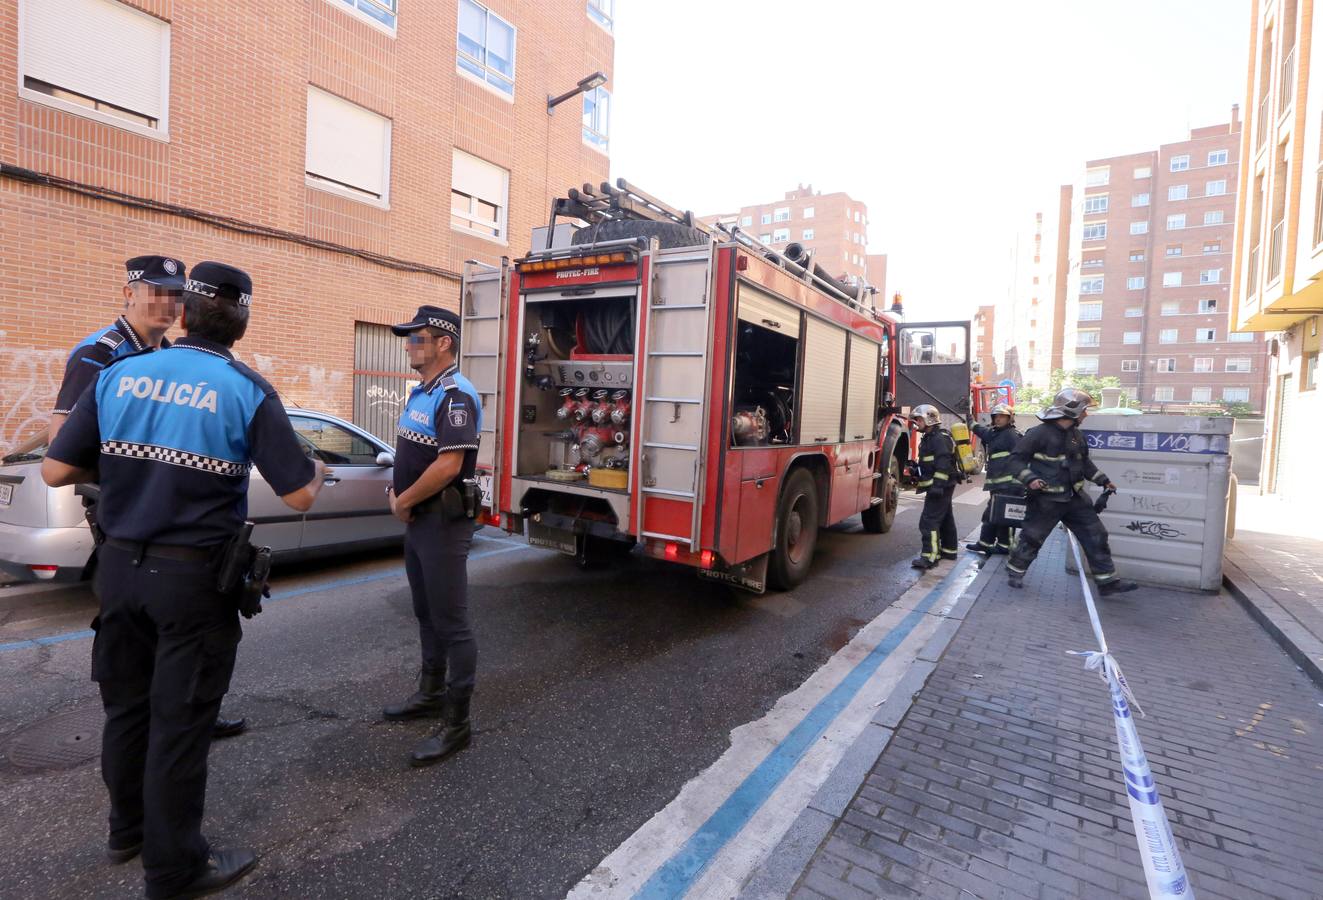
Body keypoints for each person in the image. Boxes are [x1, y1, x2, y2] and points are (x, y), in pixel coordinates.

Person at [42, 262, 328, 899]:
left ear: (187, 312)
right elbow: (302, 494)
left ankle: (128, 831)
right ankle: (174, 869)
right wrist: (316, 469)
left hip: (116, 569)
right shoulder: (244, 388)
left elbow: (55, 470)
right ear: (241, 320)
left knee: (126, 709)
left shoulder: (117, 373)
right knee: (180, 721)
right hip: (191, 581)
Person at [17, 256, 248, 741]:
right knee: (139, 644)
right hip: (127, 518)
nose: (167, 302)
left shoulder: (163, 353)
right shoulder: (99, 355)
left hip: (175, 518)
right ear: (129, 292)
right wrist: (135, 467)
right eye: (156, 291)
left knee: (182, 632)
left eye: (176, 294)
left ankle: (187, 717)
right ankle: (143, 737)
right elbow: (63, 449)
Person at [382, 304, 483, 767]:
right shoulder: (421, 393)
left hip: (441, 523)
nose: (409, 345)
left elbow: (448, 464)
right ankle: (430, 692)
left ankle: (457, 724)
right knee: (425, 612)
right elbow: (412, 453)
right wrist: (395, 489)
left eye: (416, 337)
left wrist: (402, 501)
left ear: (443, 342)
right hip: (418, 523)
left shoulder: (456, 395)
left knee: (451, 622)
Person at [1004, 388, 1137, 594]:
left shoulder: (1076, 435)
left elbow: (1084, 463)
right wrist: (1030, 479)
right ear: (1072, 410)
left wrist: (1103, 481)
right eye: (1084, 410)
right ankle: (1015, 571)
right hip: (1046, 501)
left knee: (1096, 534)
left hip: (1074, 499)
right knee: (1033, 537)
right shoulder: (1038, 434)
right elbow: (1014, 460)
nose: (1086, 414)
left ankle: (1107, 582)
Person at [906, 404, 959, 570]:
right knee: (945, 518)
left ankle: (930, 556)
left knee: (929, 521)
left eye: (919, 419)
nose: (916, 423)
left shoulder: (939, 438)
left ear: (929, 419)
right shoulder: (931, 437)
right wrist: (916, 468)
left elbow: (943, 464)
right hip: (941, 486)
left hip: (940, 487)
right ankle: (949, 550)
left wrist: (937, 485)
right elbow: (931, 462)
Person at [966, 402, 1023, 556]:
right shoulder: (995, 433)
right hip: (998, 485)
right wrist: (969, 418)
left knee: (1005, 516)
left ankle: (1005, 546)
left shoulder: (1012, 435)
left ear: (1009, 418)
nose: (998, 419)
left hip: (1009, 485)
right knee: (991, 514)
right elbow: (981, 431)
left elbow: (1021, 459)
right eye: (996, 416)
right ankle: (985, 543)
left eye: (1002, 417)